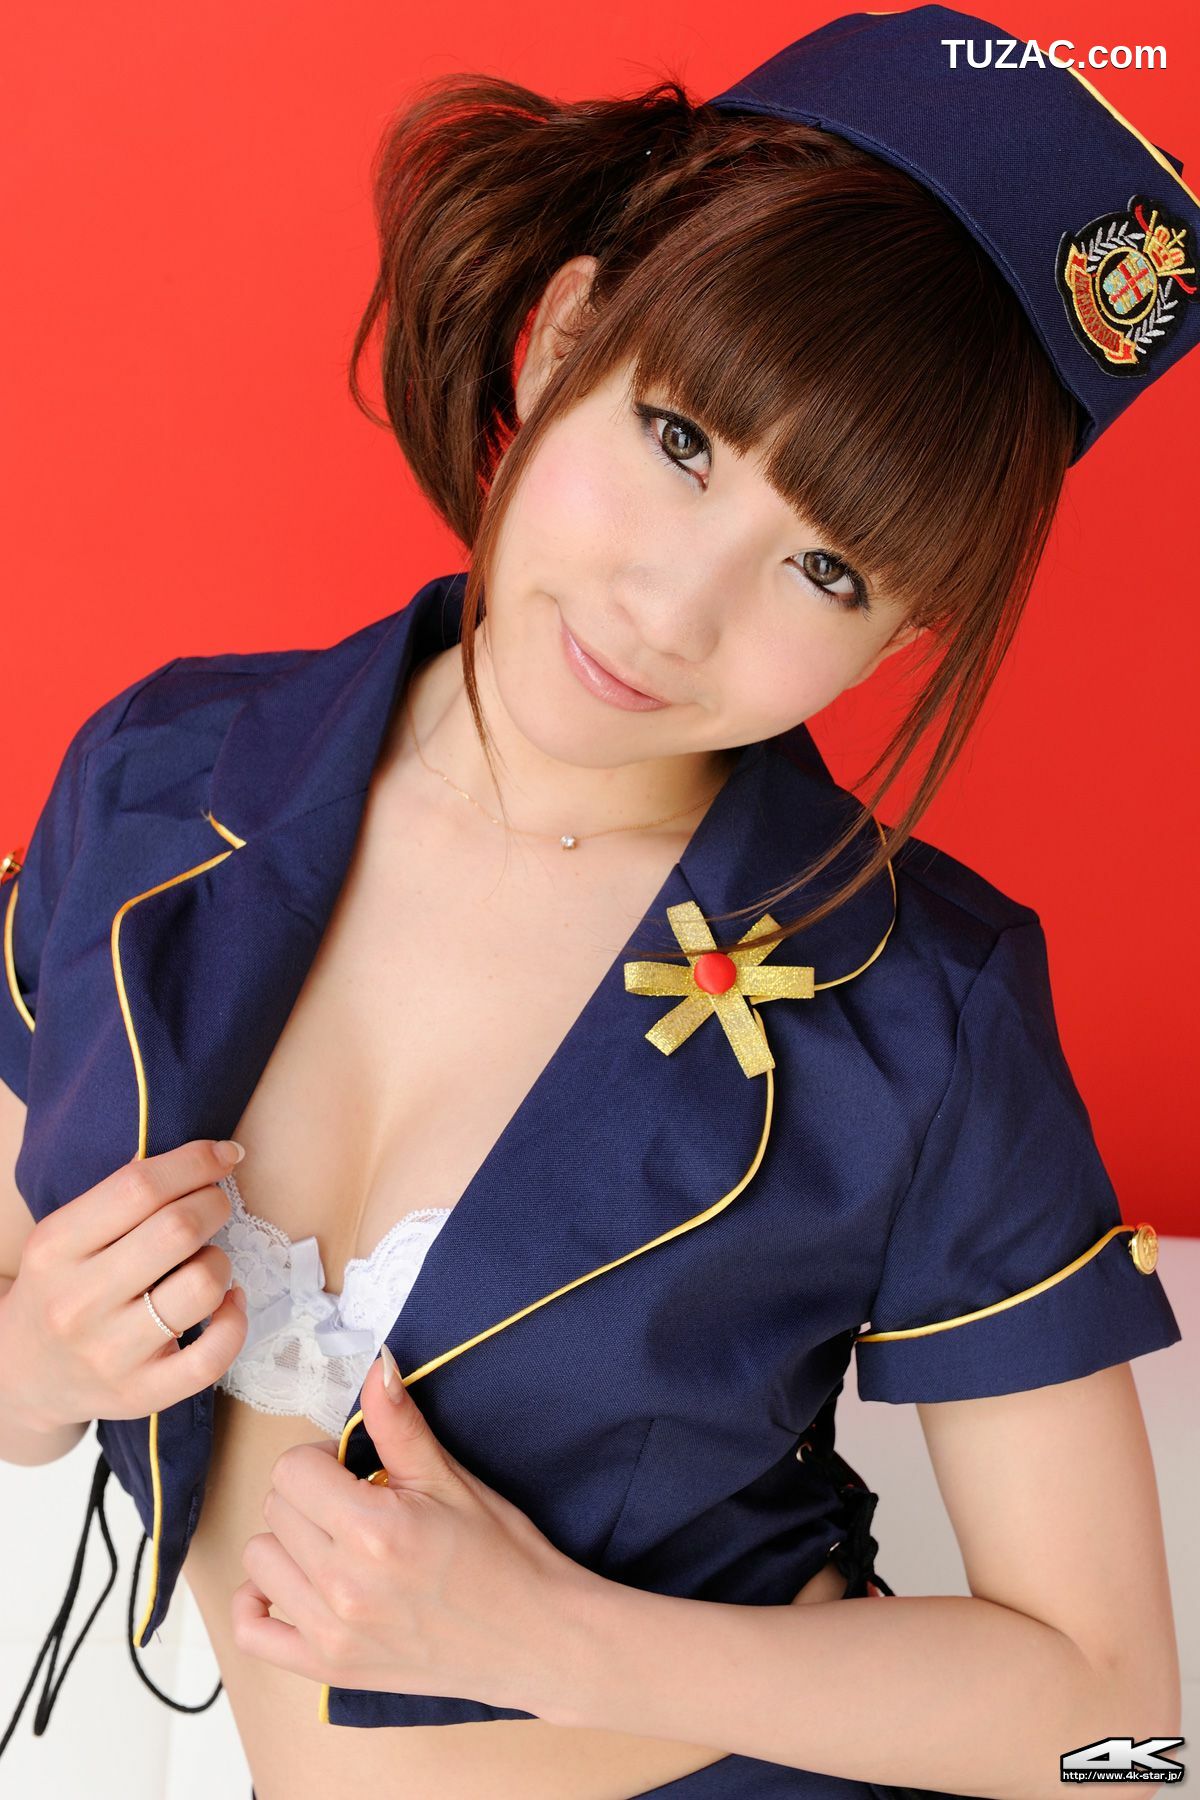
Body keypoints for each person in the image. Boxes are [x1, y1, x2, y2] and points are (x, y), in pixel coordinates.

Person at [0, 5, 1191, 1796]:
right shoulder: (160, 780)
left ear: (907, 632)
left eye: (826, 566)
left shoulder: (921, 1003)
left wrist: (546, 1638)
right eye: (681, 438)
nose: (670, 609)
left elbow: (1121, 1730)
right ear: (564, 336)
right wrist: (36, 1369)